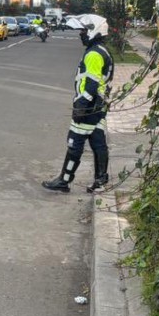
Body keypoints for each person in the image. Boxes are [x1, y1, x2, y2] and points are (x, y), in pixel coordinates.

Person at [43, 14, 114, 194]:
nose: (81, 34)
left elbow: (91, 84)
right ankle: (101, 181)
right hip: (99, 105)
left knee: (75, 142)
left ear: (94, 31)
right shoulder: (102, 50)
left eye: (83, 31)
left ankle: (64, 181)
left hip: (89, 107)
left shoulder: (94, 54)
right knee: (98, 143)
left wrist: (81, 106)